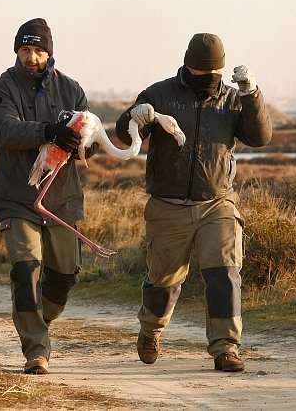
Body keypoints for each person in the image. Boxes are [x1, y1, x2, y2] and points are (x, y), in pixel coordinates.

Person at [115, 33, 272, 372]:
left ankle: (226, 347)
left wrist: (252, 95)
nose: (207, 81)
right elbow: (124, 133)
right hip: (167, 204)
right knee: (164, 281)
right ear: (187, 66)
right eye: (201, 73)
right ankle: (150, 329)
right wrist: (135, 116)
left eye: (214, 74)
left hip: (218, 202)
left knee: (224, 273)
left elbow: (259, 137)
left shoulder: (233, 98)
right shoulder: (159, 94)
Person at [0, 18, 98, 375]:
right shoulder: (1, 88)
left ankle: (35, 317)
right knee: (26, 270)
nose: (31, 57)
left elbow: (88, 139)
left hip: (62, 200)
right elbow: (5, 131)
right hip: (17, 198)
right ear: (17, 51)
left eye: (37, 50)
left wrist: (83, 145)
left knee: (64, 275)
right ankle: (36, 349)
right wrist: (48, 131)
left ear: (49, 52)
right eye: (24, 49)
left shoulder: (72, 89)